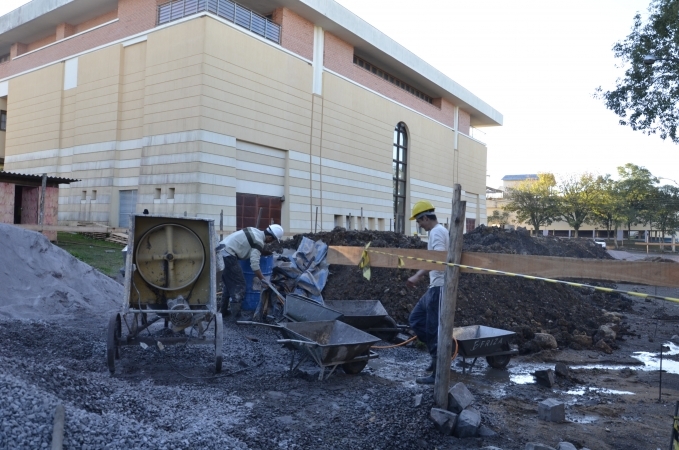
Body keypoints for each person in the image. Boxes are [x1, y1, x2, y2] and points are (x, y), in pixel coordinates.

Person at [406, 200, 449, 384]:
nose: (418, 224)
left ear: (425, 217)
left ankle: (438, 371)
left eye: (419, 220)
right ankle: (436, 358)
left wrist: (418, 276)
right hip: (434, 287)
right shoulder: (435, 232)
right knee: (416, 319)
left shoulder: (438, 232)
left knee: (432, 330)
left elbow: (437, 260)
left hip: (439, 287)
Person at [219, 224, 284, 319]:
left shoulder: (255, 231)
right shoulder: (258, 242)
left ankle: (223, 312)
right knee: (239, 285)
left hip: (222, 250)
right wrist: (263, 279)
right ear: (269, 237)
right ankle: (236, 317)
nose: (270, 243)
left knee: (229, 284)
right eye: (272, 240)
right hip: (228, 254)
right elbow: (254, 265)